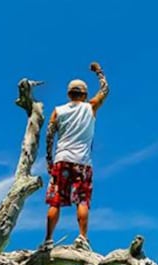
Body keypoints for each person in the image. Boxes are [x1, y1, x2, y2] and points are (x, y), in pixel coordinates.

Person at [41, 61, 109, 251]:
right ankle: (82, 237)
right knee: (82, 200)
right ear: (85, 94)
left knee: (55, 202)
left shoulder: (58, 111)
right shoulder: (91, 107)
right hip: (82, 162)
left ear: (69, 94)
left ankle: (48, 240)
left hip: (61, 159)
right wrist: (99, 72)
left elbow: (48, 136)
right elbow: (105, 90)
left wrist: (49, 160)